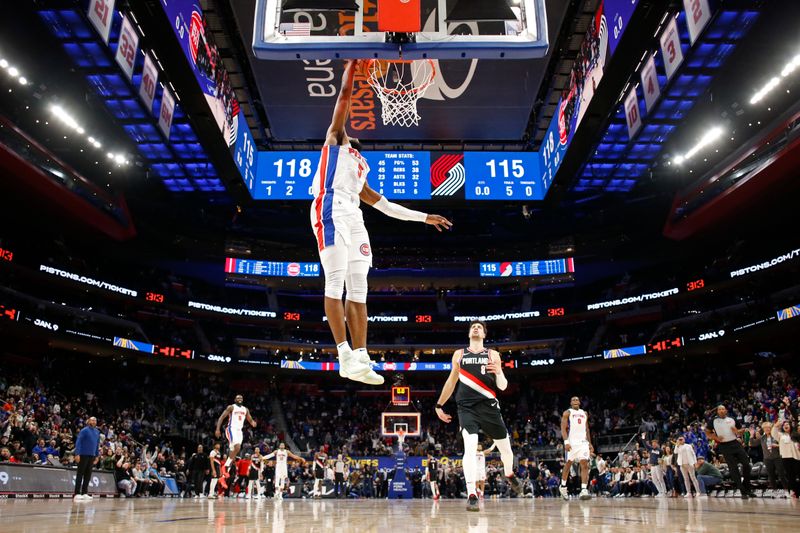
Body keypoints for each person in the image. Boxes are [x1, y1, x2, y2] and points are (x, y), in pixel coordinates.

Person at [311, 59, 452, 386]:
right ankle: (344, 353)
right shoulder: (334, 141)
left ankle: (361, 354)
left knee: (359, 289)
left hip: (354, 216)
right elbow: (344, 97)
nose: (351, 134)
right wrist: (352, 67)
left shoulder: (361, 167)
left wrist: (424, 217)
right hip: (329, 204)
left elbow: (384, 205)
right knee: (334, 281)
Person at [434, 321, 523, 512]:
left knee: (506, 450)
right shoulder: (459, 354)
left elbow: (503, 386)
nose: (476, 328)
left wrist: (499, 372)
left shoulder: (493, 355)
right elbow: (451, 381)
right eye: (473, 327)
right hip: (466, 408)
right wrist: (439, 404)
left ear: (484, 334)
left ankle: (508, 473)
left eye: (479, 327)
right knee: (470, 447)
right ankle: (472, 493)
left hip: (489, 407)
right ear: (469, 333)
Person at [707, 405, 753, 498]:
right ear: (717, 411)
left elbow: (741, 431)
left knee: (747, 464)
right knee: (733, 468)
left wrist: (738, 431)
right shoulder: (713, 421)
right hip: (724, 446)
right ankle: (743, 491)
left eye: (723, 409)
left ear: (726, 410)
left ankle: (747, 486)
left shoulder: (732, 419)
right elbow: (707, 432)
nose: (721, 410)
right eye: (719, 409)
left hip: (735, 443)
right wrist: (715, 437)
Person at [214, 394, 256, 489]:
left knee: (234, 453)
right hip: (231, 429)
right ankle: (224, 467)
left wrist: (253, 423)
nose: (239, 399)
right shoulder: (231, 407)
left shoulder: (246, 409)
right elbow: (221, 417)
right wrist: (217, 429)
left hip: (239, 431)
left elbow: (250, 419)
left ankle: (223, 477)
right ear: (235, 399)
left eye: (241, 398)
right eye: (238, 398)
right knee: (237, 447)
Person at [560, 397, 593, 500]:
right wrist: (566, 442)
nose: (575, 401)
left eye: (576, 400)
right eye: (573, 400)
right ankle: (563, 486)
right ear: (570, 403)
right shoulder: (567, 413)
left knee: (584, 464)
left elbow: (587, 429)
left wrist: (590, 443)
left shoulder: (585, 413)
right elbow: (563, 428)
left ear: (579, 402)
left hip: (583, 442)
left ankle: (583, 489)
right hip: (572, 443)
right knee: (568, 464)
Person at [771, 399, 800, 498]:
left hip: (797, 457)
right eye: (784, 425)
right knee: (790, 476)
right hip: (786, 458)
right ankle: (794, 492)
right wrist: (776, 425)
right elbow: (773, 433)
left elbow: (796, 418)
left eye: (787, 424)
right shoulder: (780, 435)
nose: (786, 425)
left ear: (791, 426)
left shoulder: (795, 434)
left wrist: (789, 405)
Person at [751, 421, 788, 497]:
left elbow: (784, 445)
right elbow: (753, 443)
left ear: (771, 428)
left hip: (777, 458)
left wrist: (777, 445)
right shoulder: (762, 438)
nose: (767, 429)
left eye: (768, 427)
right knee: (771, 476)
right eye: (765, 428)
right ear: (763, 429)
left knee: (782, 475)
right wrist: (751, 435)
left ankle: (787, 490)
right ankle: (774, 491)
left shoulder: (776, 436)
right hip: (767, 459)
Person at [73, 416, 100, 501]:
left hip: (92, 456)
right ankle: (77, 493)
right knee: (80, 473)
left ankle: (84, 492)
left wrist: (97, 455)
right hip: (83, 455)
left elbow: (97, 444)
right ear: (88, 421)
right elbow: (78, 441)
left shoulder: (97, 432)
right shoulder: (84, 430)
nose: (94, 421)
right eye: (92, 420)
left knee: (88, 475)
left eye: (95, 420)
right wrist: (77, 453)